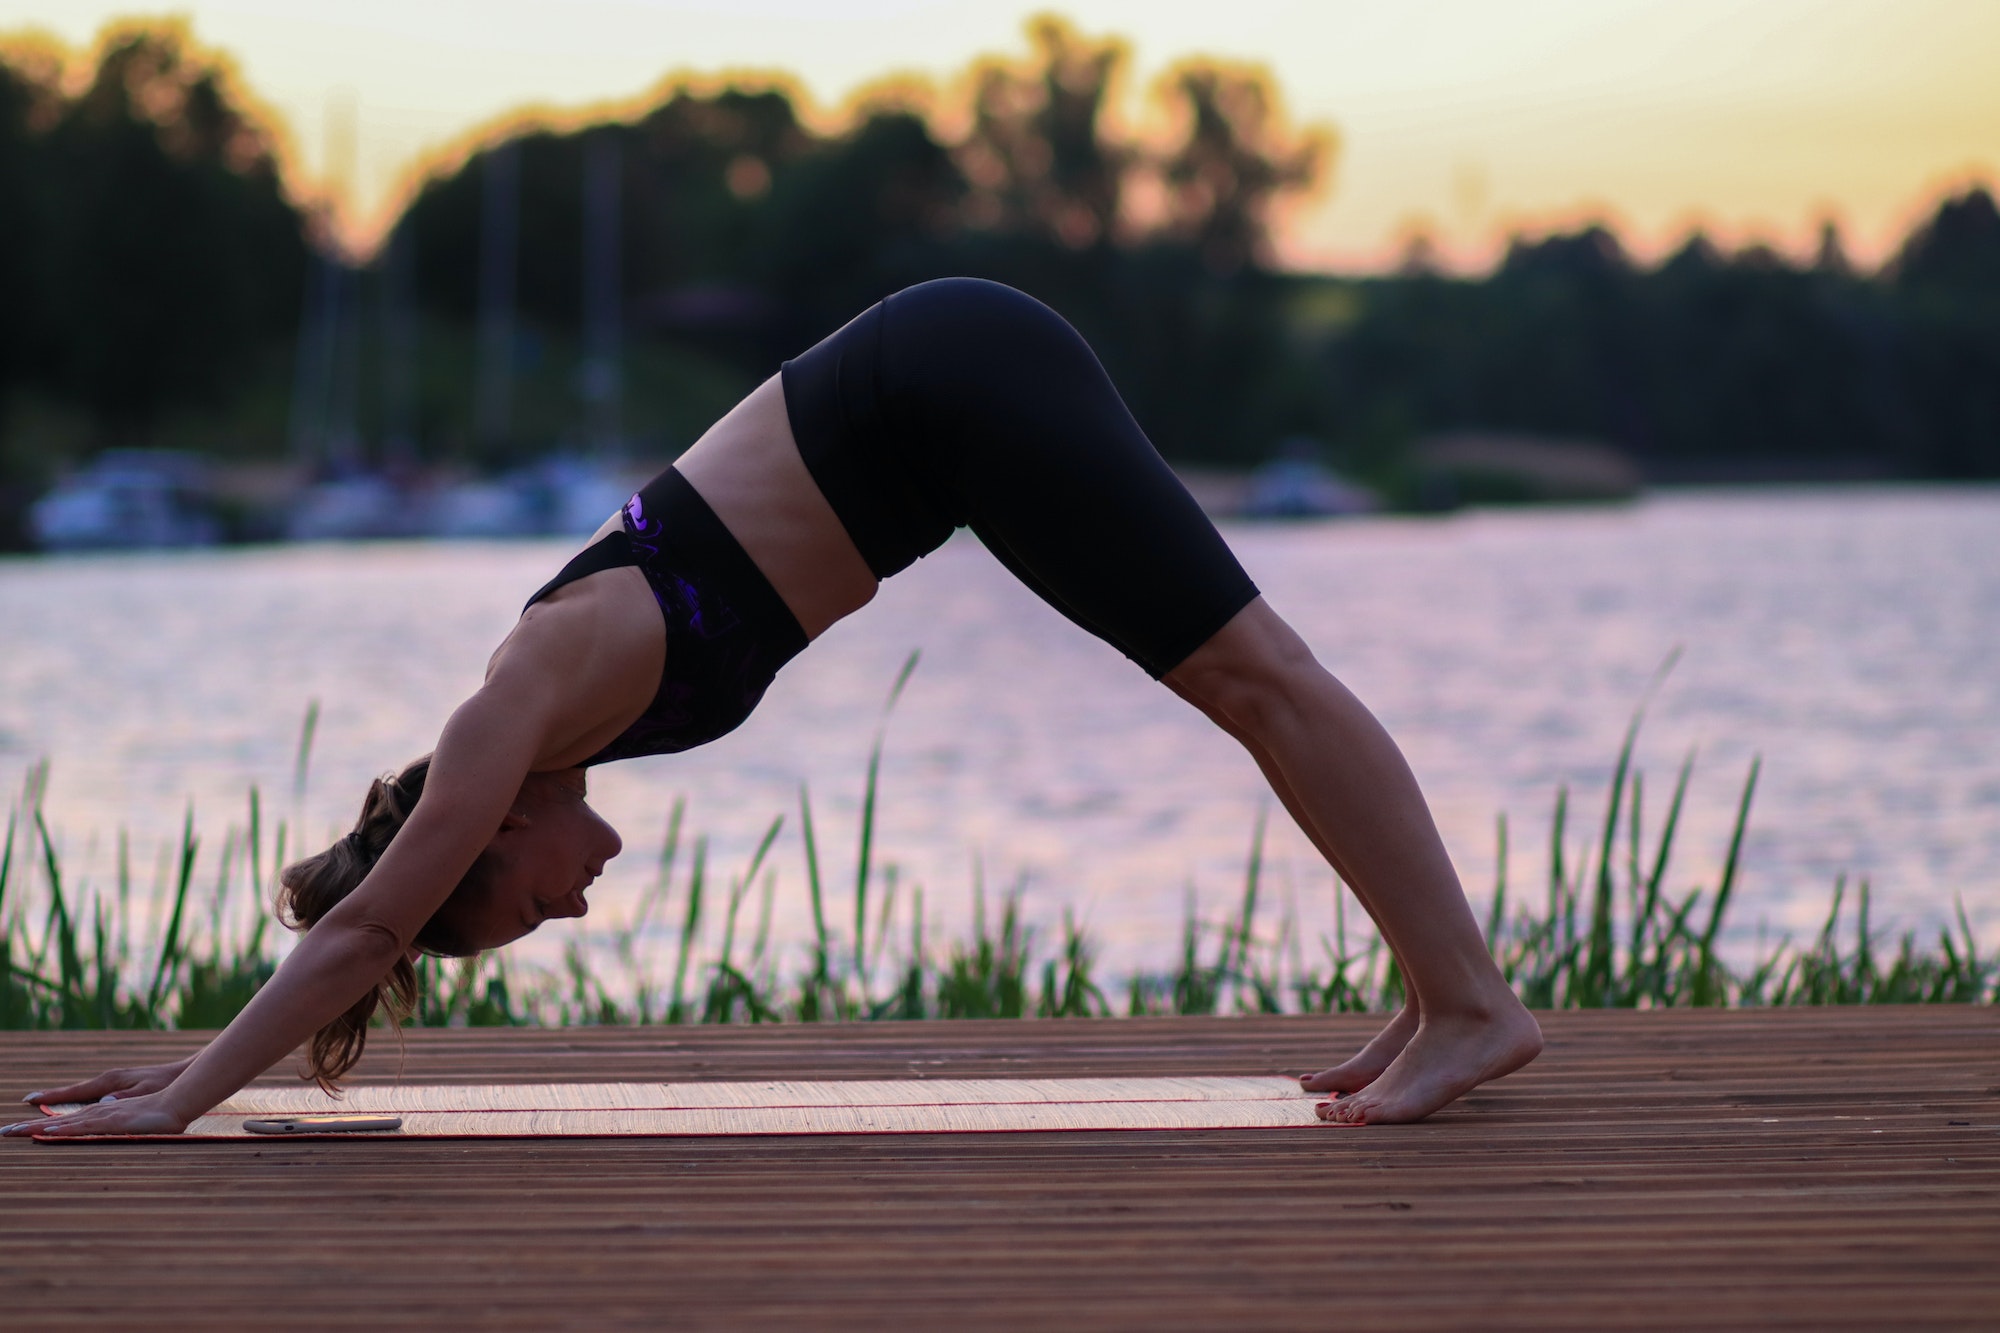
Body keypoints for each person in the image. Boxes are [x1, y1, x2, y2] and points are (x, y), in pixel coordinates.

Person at [5, 279, 1540, 1135]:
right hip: (948, 412)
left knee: (1254, 675)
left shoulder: (510, 709)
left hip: (949, 387)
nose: (574, 912)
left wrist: (183, 1099)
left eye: (528, 910)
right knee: (1248, 684)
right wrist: (184, 1071)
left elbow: (362, 932)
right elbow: (368, 933)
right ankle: (1438, 986)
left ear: (492, 830)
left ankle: (1470, 1002)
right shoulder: (556, 721)